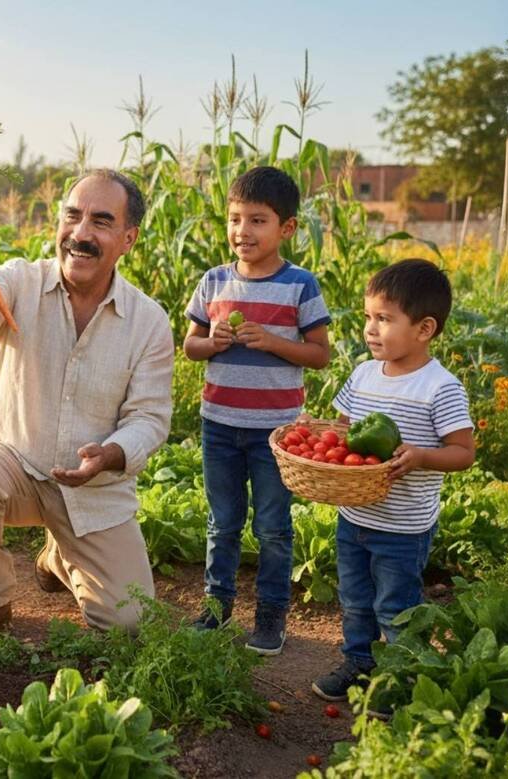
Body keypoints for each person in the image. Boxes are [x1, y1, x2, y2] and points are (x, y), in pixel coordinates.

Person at [0, 170, 175, 640]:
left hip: (93, 490)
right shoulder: (20, 282)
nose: (81, 234)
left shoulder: (147, 321)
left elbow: (149, 417)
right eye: (72, 216)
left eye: (101, 222)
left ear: (129, 238)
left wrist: (111, 453)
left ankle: (59, 557)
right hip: (15, 466)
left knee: (129, 623)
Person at [311, 259, 476, 702]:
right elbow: (342, 433)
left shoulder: (439, 388)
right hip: (354, 515)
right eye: (368, 317)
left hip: (403, 527)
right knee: (355, 598)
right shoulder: (363, 375)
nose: (370, 329)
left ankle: (401, 678)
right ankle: (359, 664)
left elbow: (464, 453)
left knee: (395, 606)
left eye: (383, 319)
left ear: (424, 329)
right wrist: (315, 433)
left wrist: (421, 455)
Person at [183, 165, 331, 655]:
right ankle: (217, 606)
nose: (242, 231)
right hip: (219, 424)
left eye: (257, 220)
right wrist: (213, 341)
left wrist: (270, 341)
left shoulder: (300, 285)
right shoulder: (214, 281)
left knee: (272, 526)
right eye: (234, 219)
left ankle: (270, 615)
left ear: (286, 228)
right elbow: (190, 345)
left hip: (275, 431)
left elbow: (320, 354)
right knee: (221, 521)